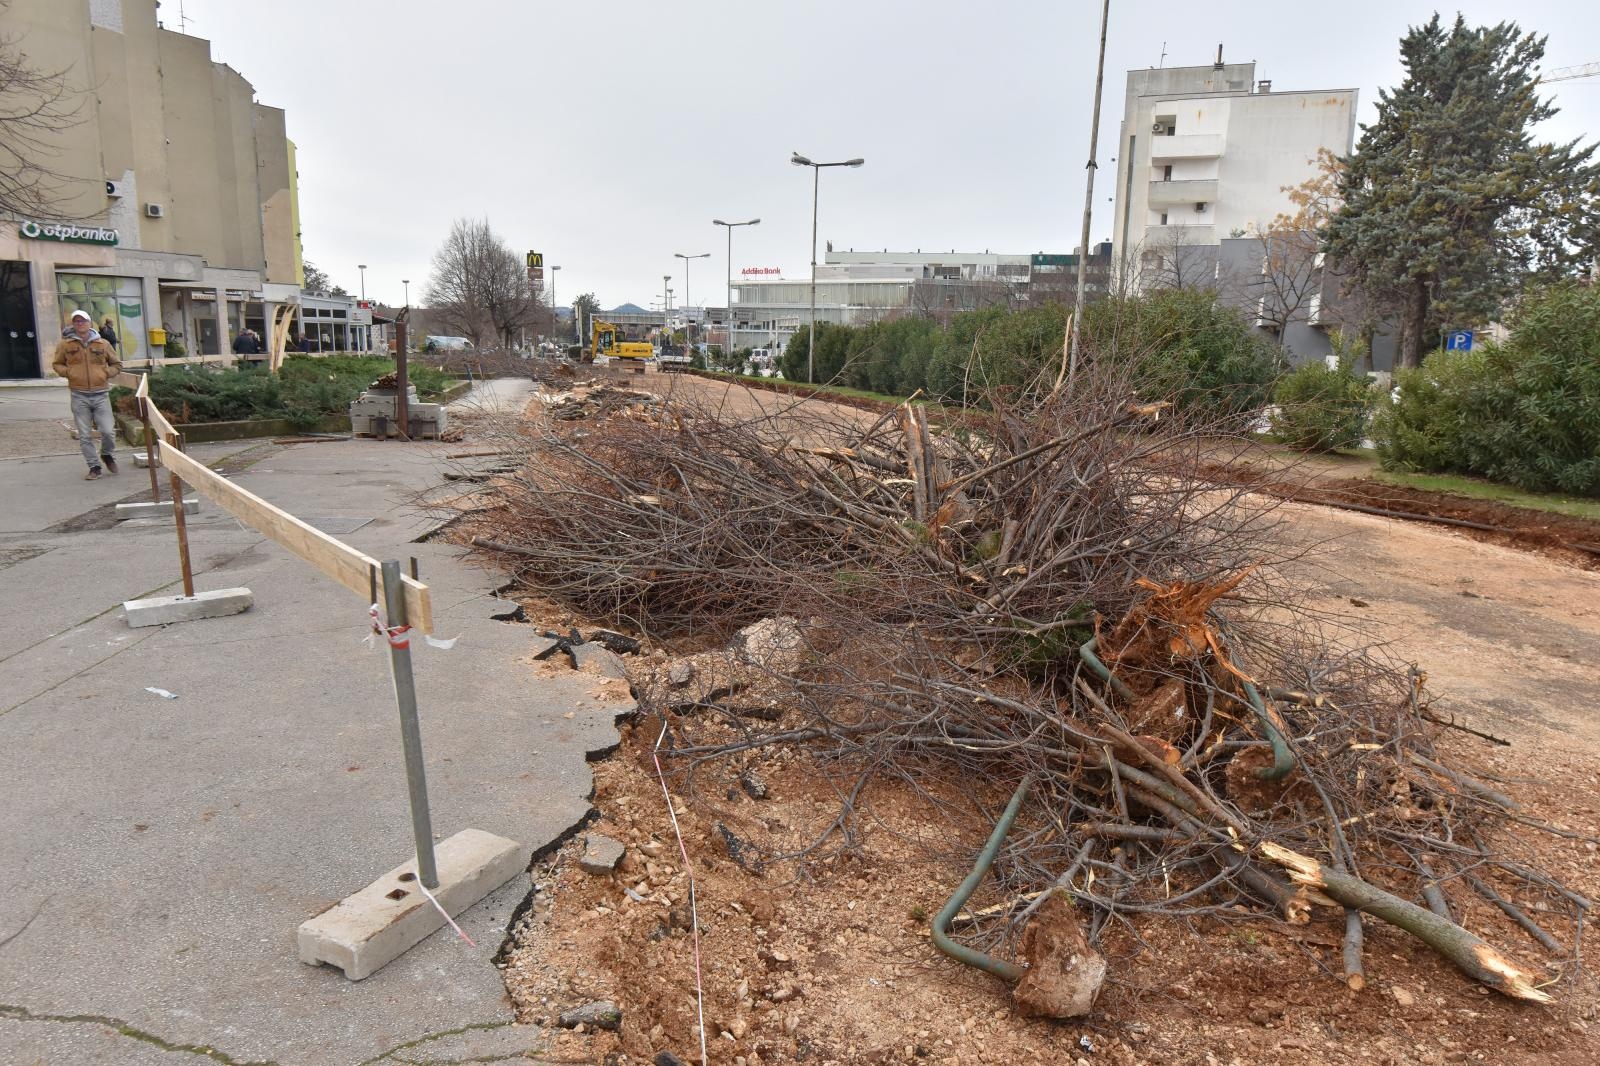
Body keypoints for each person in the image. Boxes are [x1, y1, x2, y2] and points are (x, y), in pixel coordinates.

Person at [52, 309, 123, 480]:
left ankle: (107, 454)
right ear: (73, 324)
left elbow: (117, 364)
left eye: (83, 321)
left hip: (101, 394)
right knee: (84, 435)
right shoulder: (65, 345)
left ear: (89, 323)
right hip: (79, 395)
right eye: (76, 321)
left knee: (108, 431)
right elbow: (57, 364)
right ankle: (94, 467)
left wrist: (106, 373)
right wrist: (69, 372)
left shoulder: (103, 344)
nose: (80, 324)